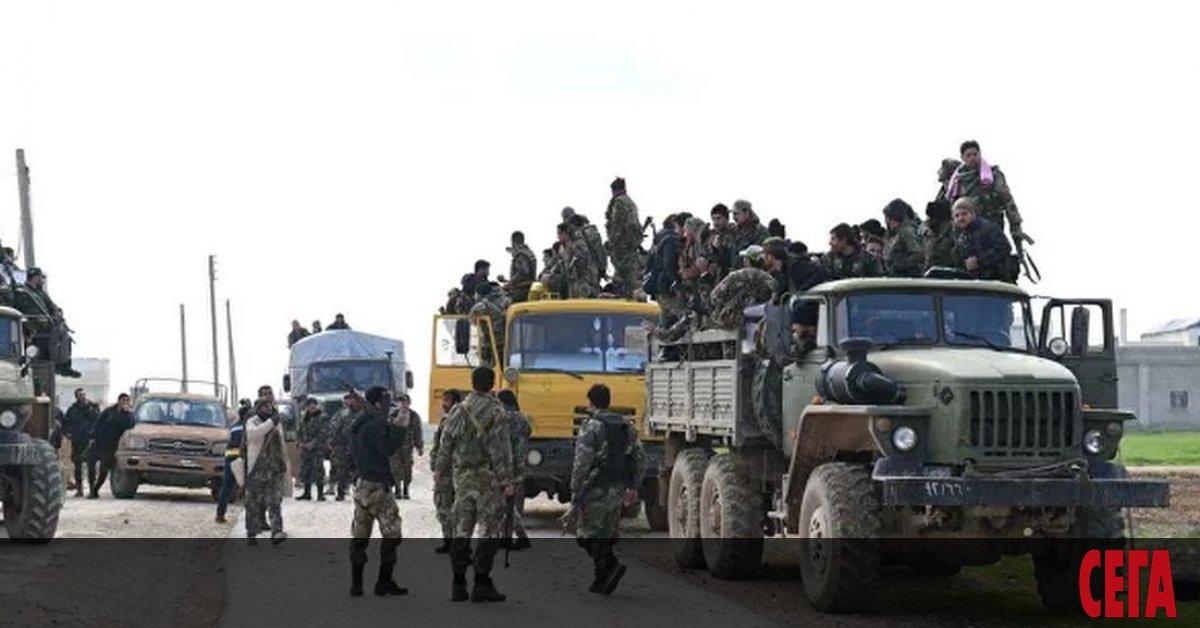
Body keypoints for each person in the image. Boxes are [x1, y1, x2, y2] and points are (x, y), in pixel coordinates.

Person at [433, 367, 514, 603]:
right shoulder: (497, 411)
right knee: (488, 531)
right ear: (491, 385)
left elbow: (446, 443)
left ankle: (458, 584)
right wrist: (507, 480)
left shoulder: (457, 411)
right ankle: (481, 583)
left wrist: (440, 470)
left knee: (461, 530)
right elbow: (501, 450)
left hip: (463, 478)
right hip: (488, 480)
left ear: (472, 383)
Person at [570, 383, 646, 595]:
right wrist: (634, 486)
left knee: (585, 534)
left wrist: (575, 490)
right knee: (606, 533)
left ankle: (610, 566)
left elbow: (582, 462)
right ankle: (601, 579)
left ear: (590, 402)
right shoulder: (626, 426)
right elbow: (639, 457)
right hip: (618, 487)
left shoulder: (590, 426)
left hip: (595, 487)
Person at [348, 385, 409, 598]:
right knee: (392, 533)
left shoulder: (359, 422)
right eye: (385, 400)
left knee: (360, 536)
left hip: (362, 483)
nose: (388, 404)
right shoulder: (375, 423)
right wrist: (399, 428)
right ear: (377, 402)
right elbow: (387, 449)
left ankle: (356, 585)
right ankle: (384, 583)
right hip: (378, 487)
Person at [944, 140, 1024, 241]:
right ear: (962, 158)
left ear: (980, 154)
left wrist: (1016, 226)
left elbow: (1008, 201)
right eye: (968, 155)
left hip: (993, 227)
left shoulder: (992, 175)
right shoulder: (956, 181)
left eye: (975, 154)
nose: (972, 158)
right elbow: (954, 209)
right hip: (970, 232)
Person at [237, 398, 290, 545]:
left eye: (269, 406)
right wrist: (271, 422)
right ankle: (252, 533)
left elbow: (281, 443)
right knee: (253, 503)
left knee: (274, 502)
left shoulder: (276, 423)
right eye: (265, 407)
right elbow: (254, 435)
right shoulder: (252, 422)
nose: (268, 409)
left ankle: (276, 531)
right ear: (258, 408)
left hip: (273, 469)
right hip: (256, 469)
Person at [13, 267, 80, 377]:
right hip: (32, 325)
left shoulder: (41, 293)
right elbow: (18, 310)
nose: (42, 280)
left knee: (64, 336)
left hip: (46, 324)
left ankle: (64, 365)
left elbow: (52, 306)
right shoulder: (22, 292)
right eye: (40, 277)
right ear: (35, 277)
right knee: (41, 350)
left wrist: (57, 314)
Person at [497, 390, 532, 551]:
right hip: (521, 467)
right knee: (514, 505)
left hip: (507, 467)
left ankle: (513, 538)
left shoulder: (503, 419)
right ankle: (512, 537)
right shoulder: (523, 419)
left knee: (505, 505)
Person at [708, 246, 776, 330]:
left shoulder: (735, 276)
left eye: (745, 258)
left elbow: (715, 296)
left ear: (748, 261)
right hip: (762, 320)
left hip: (735, 322)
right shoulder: (769, 278)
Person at [431, 389, 463, 554]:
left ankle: (451, 541)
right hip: (458, 471)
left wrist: (438, 469)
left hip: (448, 471)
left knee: (445, 506)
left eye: (446, 401)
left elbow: (444, 448)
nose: (443, 404)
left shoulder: (450, 421)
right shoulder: (461, 420)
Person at [952, 197, 1013, 281]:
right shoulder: (962, 238)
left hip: (997, 282)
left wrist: (979, 261)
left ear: (973, 214)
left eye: (964, 214)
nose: (960, 218)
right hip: (975, 283)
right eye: (956, 216)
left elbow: (1005, 248)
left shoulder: (989, 228)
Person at [87, 393, 135, 498]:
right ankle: (91, 488)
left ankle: (95, 489)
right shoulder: (109, 411)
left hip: (112, 445)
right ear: (119, 400)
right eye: (123, 400)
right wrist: (92, 436)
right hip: (99, 441)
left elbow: (130, 426)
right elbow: (98, 423)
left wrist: (127, 414)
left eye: (127, 400)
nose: (125, 402)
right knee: (90, 464)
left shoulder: (128, 415)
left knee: (104, 469)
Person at [605, 177, 644, 297]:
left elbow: (617, 224)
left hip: (622, 245)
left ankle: (625, 295)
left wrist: (612, 242)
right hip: (631, 244)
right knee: (630, 273)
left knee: (623, 275)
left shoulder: (619, 202)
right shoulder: (631, 202)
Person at [62, 389, 100, 497]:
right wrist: (68, 433)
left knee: (91, 465)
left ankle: (93, 489)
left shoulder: (93, 407)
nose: (83, 396)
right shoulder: (73, 409)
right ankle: (79, 489)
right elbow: (66, 423)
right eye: (80, 395)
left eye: (84, 394)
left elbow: (99, 421)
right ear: (76, 397)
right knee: (77, 465)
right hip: (77, 440)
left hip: (90, 440)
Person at [328, 392, 363, 501]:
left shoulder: (363, 414)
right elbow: (334, 429)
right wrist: (333, 443)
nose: (350, 402)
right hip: (344, 446)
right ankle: (341, 492)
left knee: (360, 471)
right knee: (342, 470)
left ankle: (359, 492)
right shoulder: (342, 414)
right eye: (348, 400)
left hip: (359, 446)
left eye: (353, 400)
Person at [387, 393, 423, 499]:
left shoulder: (413, 416)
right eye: (400, 401)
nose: (402, 404)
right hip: (395, 446)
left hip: (408, 446)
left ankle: (406, 488)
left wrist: (419, 446)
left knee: (407, 468)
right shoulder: (393, 414)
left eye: (404, 401)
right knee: (395, 467)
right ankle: (397, 489)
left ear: (409, 403)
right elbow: (387, 428)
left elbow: (418, 431)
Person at [215, 409, 246, 524]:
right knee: (246, 486)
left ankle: (220, 514)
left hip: (230, 459)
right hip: (240, 460)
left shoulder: (234, 426)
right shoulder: (246, 428)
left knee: (226, 487)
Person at [468, 282, 509, 367]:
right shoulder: (506, 300)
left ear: (479, 294)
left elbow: (472, 320)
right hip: (510, 342)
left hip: (492, 343)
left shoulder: (482, 305)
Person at [296, 397, 330, 501]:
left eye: (314, 405)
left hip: (317, 449)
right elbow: (299, 431)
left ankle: (320, 494)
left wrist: (313, 444)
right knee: (306, 470)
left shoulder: (322, 417)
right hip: (305, 449)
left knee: (318, 470)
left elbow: (323, 433)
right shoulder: (304, 418)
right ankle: (307, 493)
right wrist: (300, 442)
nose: (312, 407)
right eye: (310, 405)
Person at [882, 199, 924, 278]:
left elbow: (918, 254)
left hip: (906, 279)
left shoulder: (907, 232)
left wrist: (899, 265)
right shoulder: (894, 234)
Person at [921, 199, 958, 271]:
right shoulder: (929, 234)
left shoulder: (954, 232)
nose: (928, 220)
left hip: (949, 276)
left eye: (930, 217)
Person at [730, 200, 769, 266]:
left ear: (747, 213)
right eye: (733, 214)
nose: (734, 218)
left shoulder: (759, 231)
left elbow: (760, 253)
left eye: (736, 214)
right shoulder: (734, 230)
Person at [506, 231, 538, 303]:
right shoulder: (529, 252)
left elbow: (523, 272)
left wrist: (511, 282)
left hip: (522, 290)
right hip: (530, 287)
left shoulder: (520, 255)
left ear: (513, 241)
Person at [706, 203, 735, 280]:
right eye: (713, 219)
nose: (715, 222)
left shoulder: (734, 234)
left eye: (718, 218)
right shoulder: (712, 236)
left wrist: (719, 249)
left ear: (727, 219)